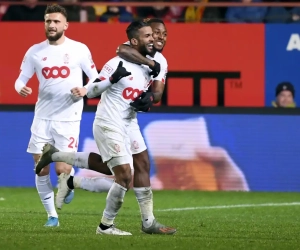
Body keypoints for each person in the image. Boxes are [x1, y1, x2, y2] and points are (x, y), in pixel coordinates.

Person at [36, 20, 175, 235]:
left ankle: (148, 221)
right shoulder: (120, 60)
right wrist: (111, 79)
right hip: (109, 122)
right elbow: (92, 91)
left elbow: (156, 93)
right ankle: (105, 226)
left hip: (129, 121)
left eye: (161, 34)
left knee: (139, 165)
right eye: (151, 35)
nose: (157, 38)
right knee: (124, 175)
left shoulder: (160, 61)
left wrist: (149, 99)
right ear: (137, 40)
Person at [14, 4, 99, 227]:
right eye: (48, 21)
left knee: (62, 169)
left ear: (65, 25)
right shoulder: (35, 51)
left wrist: (84, 90)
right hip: (42, 118)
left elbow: (96, 79)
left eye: (56, 21)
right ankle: (52, 216)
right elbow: (20, 79)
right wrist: (20, 87)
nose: (51, 25)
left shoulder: (79, 49)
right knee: (40, 168)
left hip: (68, 119)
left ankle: (67, 182)